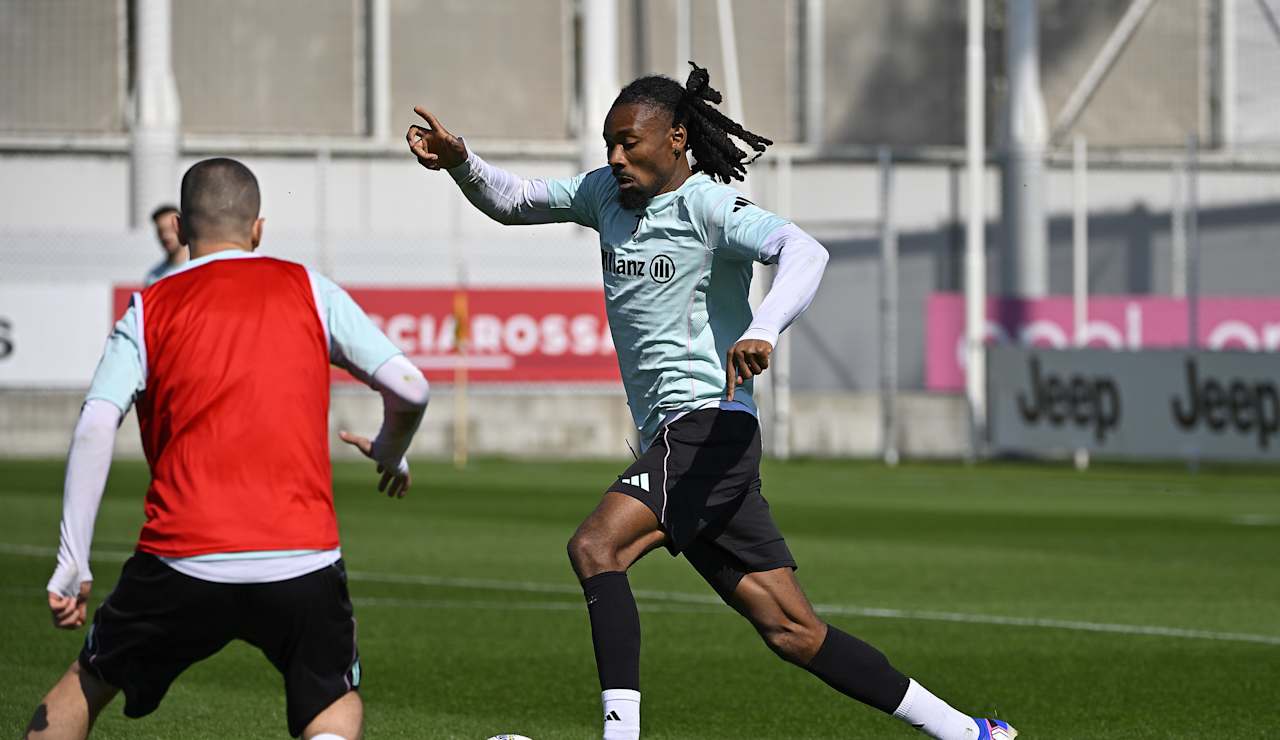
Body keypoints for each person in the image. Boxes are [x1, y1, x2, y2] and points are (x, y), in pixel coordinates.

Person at [406, 64, 1016, 740]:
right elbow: (517, 200)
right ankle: (970, 733)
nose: (616, 158)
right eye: (609, 144)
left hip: (709, 427)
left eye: (629, 143)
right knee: (792, 629)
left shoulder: (709, 207)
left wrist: (764, 328)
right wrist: (461, 163)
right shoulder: (605, 194)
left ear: (676, 138)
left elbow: (804, 252)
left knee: (595, 548)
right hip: (683, 441)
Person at [25, 158, 430, 740]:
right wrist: (391, 448)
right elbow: (411, 387)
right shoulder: (311, 289)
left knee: (86, 685)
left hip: (181, 557)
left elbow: (95, 423)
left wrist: (73, 560)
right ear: (258, 229)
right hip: (301, 557)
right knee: (332, 704)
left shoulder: (149, 308)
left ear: (181, 230)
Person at [143, 204, 187, 286]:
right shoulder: (153, 277)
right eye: (161, 231)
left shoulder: (199, 268)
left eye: (171, 229)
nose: (166, 236)